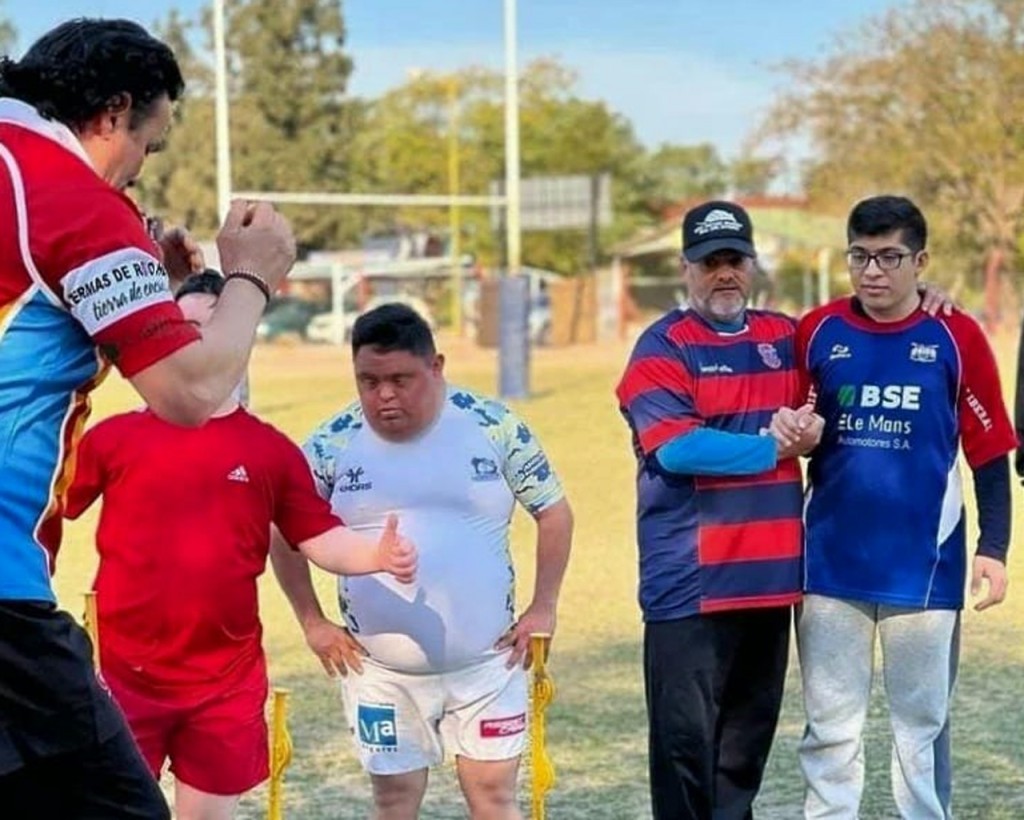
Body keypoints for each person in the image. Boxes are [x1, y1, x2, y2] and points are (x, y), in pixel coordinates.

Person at [0, 19, 297, 818]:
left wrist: (144, 295)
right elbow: (191, 393)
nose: (136, 173)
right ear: (113, 112)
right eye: (148, 146)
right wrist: (251, 281)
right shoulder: (69, 197)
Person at [269, 302, 574, 820]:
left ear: (436, 366)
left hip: (488, 665)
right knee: (393, 800)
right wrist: (312, 620)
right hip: (379, 672)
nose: (384, 394)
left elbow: (554, 513)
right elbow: (282, 530)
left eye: (400, 378)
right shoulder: (330, 443)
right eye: (369, 380)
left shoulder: (495, 426)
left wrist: (543, 606)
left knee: (494, 797)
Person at [780, 195, 1016, 820]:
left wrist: (993, 549)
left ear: (921, 261)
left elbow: (989, 452)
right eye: (859, 255)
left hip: (926, 570)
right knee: (831, 730)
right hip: (830, 566)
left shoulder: (956, 334)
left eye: (889, 257)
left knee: (920, 730)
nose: (873, 271)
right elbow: (790, 429)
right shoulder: (818, 330)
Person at [615, 200, 824, 820]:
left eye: (734, 260)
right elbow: (678, 447)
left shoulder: (787, 337)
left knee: (742, 759)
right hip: (691, 587)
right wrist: (773, 447)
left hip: (769, 584)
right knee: (685, 758)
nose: (723, 274)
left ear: (752, 264)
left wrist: (928, 297)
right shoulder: (661, 346)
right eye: (709, 263)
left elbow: (857, 338)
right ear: (686, 268)